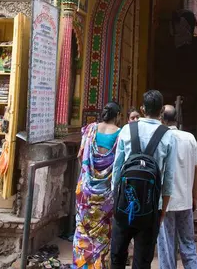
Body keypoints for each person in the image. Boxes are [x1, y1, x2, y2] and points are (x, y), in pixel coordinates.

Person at [111, 90, 176, 269]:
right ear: (161, 110)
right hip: (151, 205)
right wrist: (163, 209)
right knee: (143, 261)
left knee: (117, 256)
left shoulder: (127, 129)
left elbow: (117, 168)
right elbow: (169, 177)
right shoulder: (168, 135)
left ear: (142, 108)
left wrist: (114, 197)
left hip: (124, 202)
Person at [73, 101, 122, 269]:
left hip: (85, 191)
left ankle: (81, 265)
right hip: (106, 194)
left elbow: (81, 156)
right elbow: (119, 163)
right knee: (102, 235)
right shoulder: (120, 134)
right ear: (118, 116)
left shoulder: (89, 130)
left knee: (82, 231)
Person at [158, 105, 197, 269]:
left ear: (162, 118)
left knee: (166, 245)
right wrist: (194, 195)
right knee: (188, 243)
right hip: (185, 201)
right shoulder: (189, 138)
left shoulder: (160, 138)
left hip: (165, 202)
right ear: (177, 119)